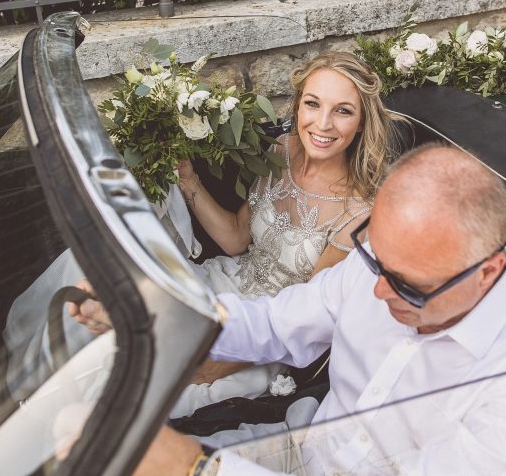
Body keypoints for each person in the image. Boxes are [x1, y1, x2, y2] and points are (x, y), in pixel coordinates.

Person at [132, 144, 506, 476]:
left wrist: (198, 470)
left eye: (410, 286)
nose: (377, 292)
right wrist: (162, 312)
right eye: (375, 261)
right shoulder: (381, 265)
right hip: (300, 449)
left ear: (487, 272)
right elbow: (275, 323)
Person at [72, 51, 401, 417]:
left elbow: (306, 319)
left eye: (343, 111)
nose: (322, 124)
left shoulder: (360, 211)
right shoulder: (282, 148)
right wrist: (189, 181)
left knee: (145, 396)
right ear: (298, 106)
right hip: (223, 282)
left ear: (361, 123)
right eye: (313, 104)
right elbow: (236, 239)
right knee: (113, 329)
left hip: (264, 338)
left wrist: (215, 364)